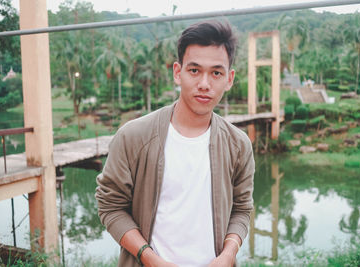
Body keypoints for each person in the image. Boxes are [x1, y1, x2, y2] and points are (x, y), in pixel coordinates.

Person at [95, 20, 255, 267]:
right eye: (194, 70)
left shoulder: (238, 145)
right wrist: (149, 258)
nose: (204, 83)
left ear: (229, 78)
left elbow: (242, 209)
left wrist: (228, 254)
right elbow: (110, 206)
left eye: (216, 72)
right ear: (177, 72)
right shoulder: (133, 137)